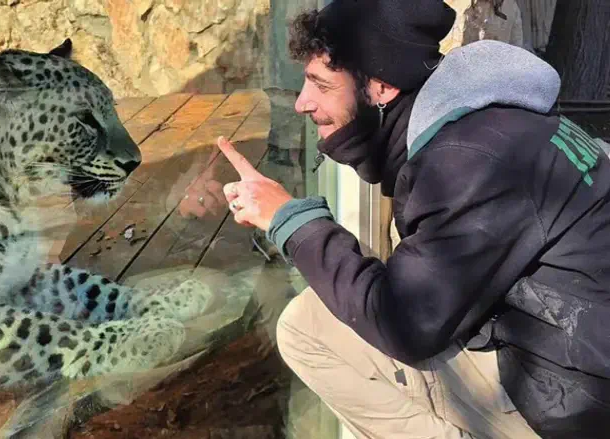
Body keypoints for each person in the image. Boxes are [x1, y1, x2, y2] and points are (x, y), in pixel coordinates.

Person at [210, 0, 610, 438]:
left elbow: (406, 325)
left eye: (321, 85)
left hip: (570, 408)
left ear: (380, 87)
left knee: (308, 329)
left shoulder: (467, 164)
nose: (302, 103)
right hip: (575, 364)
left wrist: (289, 218)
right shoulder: (486, 122)